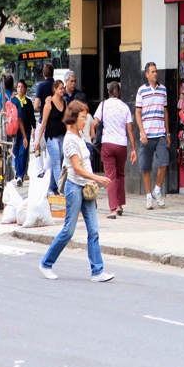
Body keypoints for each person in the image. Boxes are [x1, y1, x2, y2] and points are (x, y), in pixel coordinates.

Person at [39, 100, 114, 282]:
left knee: (94, 230)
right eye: (82, 117)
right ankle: (46, 263)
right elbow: (77, 168)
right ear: (73, 118)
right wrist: (98, 178)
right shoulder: (70, 140)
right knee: (68, 230)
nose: (85, 121)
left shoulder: (80, 136)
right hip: (75, 187)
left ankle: (97, 271)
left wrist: (93, 179)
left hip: (86, 188)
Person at [92, 82, 136, 219]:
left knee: (110, 176)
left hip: (107, 144)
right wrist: (133, 149)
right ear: (119, 92)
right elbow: (130, 129)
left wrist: (92, 135)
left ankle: (113, 209)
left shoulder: (103, 105)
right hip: (121, 144)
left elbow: (94, 123)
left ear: (109, 92)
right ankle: (120, 205)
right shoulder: (125, 107)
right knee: (120, 174)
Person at [135, 62, 171, 210]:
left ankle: (157, 189)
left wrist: (167, 132)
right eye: (152, 72)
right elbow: (137, 112)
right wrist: (142, 132)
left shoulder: (163, 90)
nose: (155, 74)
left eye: (156, 71)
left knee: (164, 162)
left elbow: (166, 111)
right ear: (147, 74)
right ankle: (149, 196)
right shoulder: (141, 91)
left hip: (160, 133)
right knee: (146, 167)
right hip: (147, 134)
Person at [33, 79, 67, 195]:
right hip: (51, 137)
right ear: (55, 89)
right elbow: (44, 122)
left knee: (57, 162)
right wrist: (38, 139)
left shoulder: (65, 103)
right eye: (61, 88)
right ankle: (61, 188)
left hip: (61, 136)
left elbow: (66, 122)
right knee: (57, 162)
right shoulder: (49, 103)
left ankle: (49, 187)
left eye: (63, 88)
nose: (63, 90)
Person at [11, 80, 36, 187]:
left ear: (25, 89)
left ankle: (20, 175)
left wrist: (34, 127)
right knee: (16, 152)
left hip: (26, 130)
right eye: (18, 87)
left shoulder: (28, 102)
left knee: (23, 152)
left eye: (22, 87)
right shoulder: (13, 101)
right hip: (15, 131)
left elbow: (32, 117)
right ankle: (18, 173)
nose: (20, 89)